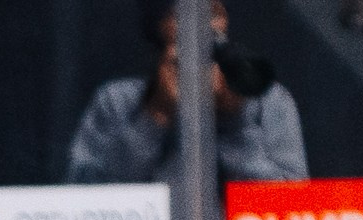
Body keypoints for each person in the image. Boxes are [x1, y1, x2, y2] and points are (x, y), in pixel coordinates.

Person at [67, 1, 306, 194]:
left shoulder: (267, 100)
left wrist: (233, 120)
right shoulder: (118, 101)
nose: (201, 26)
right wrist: (156, 114)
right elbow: (88, 203)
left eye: (212, 13)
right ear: (159, 24)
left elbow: (292, 212)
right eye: (182, 13)